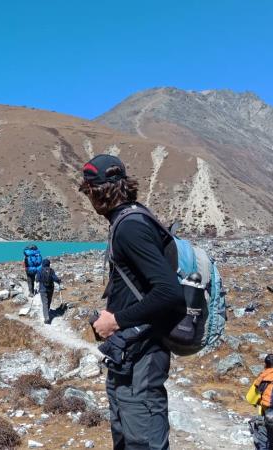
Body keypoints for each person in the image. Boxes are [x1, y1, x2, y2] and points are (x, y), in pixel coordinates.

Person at [79, 154, 185, 450]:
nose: (88, 199)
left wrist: (116, 320)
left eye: (88, 192)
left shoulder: (131, 227)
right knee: (126, 437)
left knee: (142, 441)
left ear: (98, 192)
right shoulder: (129, 219)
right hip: (128, 353)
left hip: (143, 355)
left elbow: (169, 292)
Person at [246, 354, 273, 449]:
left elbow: (250, 398)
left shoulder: (263, 378)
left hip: (267, 417)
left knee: (264, 442)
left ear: (265, 365)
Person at [35, 259, 61, 324]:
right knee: (48, 301)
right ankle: (48, 313)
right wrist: (59, 281)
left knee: (45, 303)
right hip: (50, 288)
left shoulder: (40, 270)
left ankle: (46, 317)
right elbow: (55, 278)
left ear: (43, 263)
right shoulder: (51, 270)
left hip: (42, 289)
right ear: (49, 263)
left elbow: (37, 279)